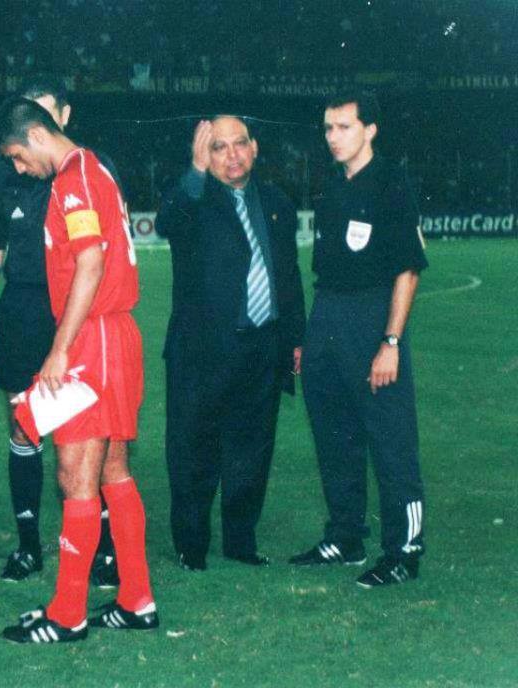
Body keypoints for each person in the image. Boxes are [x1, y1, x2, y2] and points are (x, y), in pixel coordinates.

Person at [0, 97, 156, 644]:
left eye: (17, 156)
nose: (18, 169)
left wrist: (61, 349)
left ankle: (69, 613)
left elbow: (91, 260)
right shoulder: (90, 168)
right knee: (112, 471)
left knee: (75, 476)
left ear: (37, 136)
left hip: (96, 336)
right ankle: (136, 599)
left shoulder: (74, 178)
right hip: (112, 335)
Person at [0, 75, 118, 586]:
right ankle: (28, 543)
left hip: (75, 314)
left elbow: (96, 260)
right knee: (23, 424)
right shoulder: (6, 176)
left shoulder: (83, 173)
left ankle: (100, 549)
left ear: (60, 117)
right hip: (22, 308)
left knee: (84, 433)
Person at [289, 91, 428, 588]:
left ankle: (404, 551)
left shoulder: (391, 181)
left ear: (370, 130)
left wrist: (390, 341)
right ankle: (345, 536)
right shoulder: (331, 183)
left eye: (343, 127)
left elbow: (407, 270)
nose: (332, 137)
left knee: (390, 440)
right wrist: (310, 337)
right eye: (327, 128)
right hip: (327, 318)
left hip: (372, 320)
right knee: (334, 436)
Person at [155, 117, 306, 570]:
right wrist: (196, 171)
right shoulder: (195, 198)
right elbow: (166, 223)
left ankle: (240, 541)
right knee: (193, 451)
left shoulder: (276, 202)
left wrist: (295, 336)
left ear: (255, 148)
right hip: (201, 352)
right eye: (219, 147)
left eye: (239, 144)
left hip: (261, 347)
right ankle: (191, 546)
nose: (232, 155)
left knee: (252, 450)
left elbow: (288, 275)